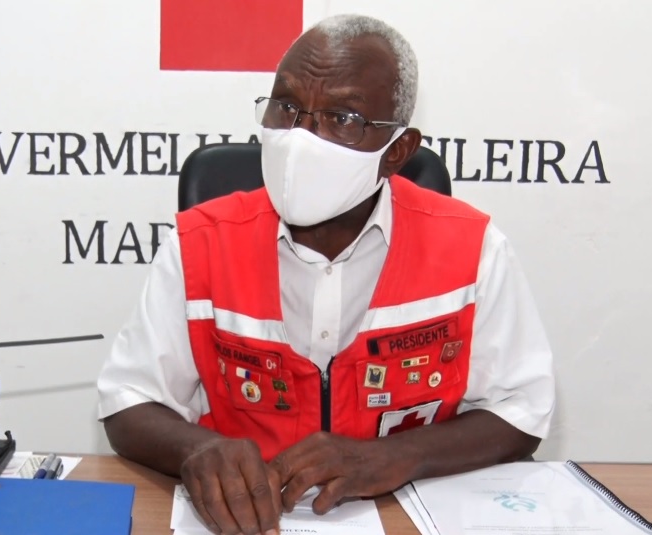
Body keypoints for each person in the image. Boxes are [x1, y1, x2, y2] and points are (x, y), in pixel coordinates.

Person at [96, 13, 555, 535]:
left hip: (402, 515)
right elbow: (128, 401)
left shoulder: (473, 249)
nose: (301, 139)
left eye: (342, 118)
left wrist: (397, 456)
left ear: (397, 152)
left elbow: (521, 411)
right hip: (244, 519)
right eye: (286, 106)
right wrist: (196, 449)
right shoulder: (199, 244)